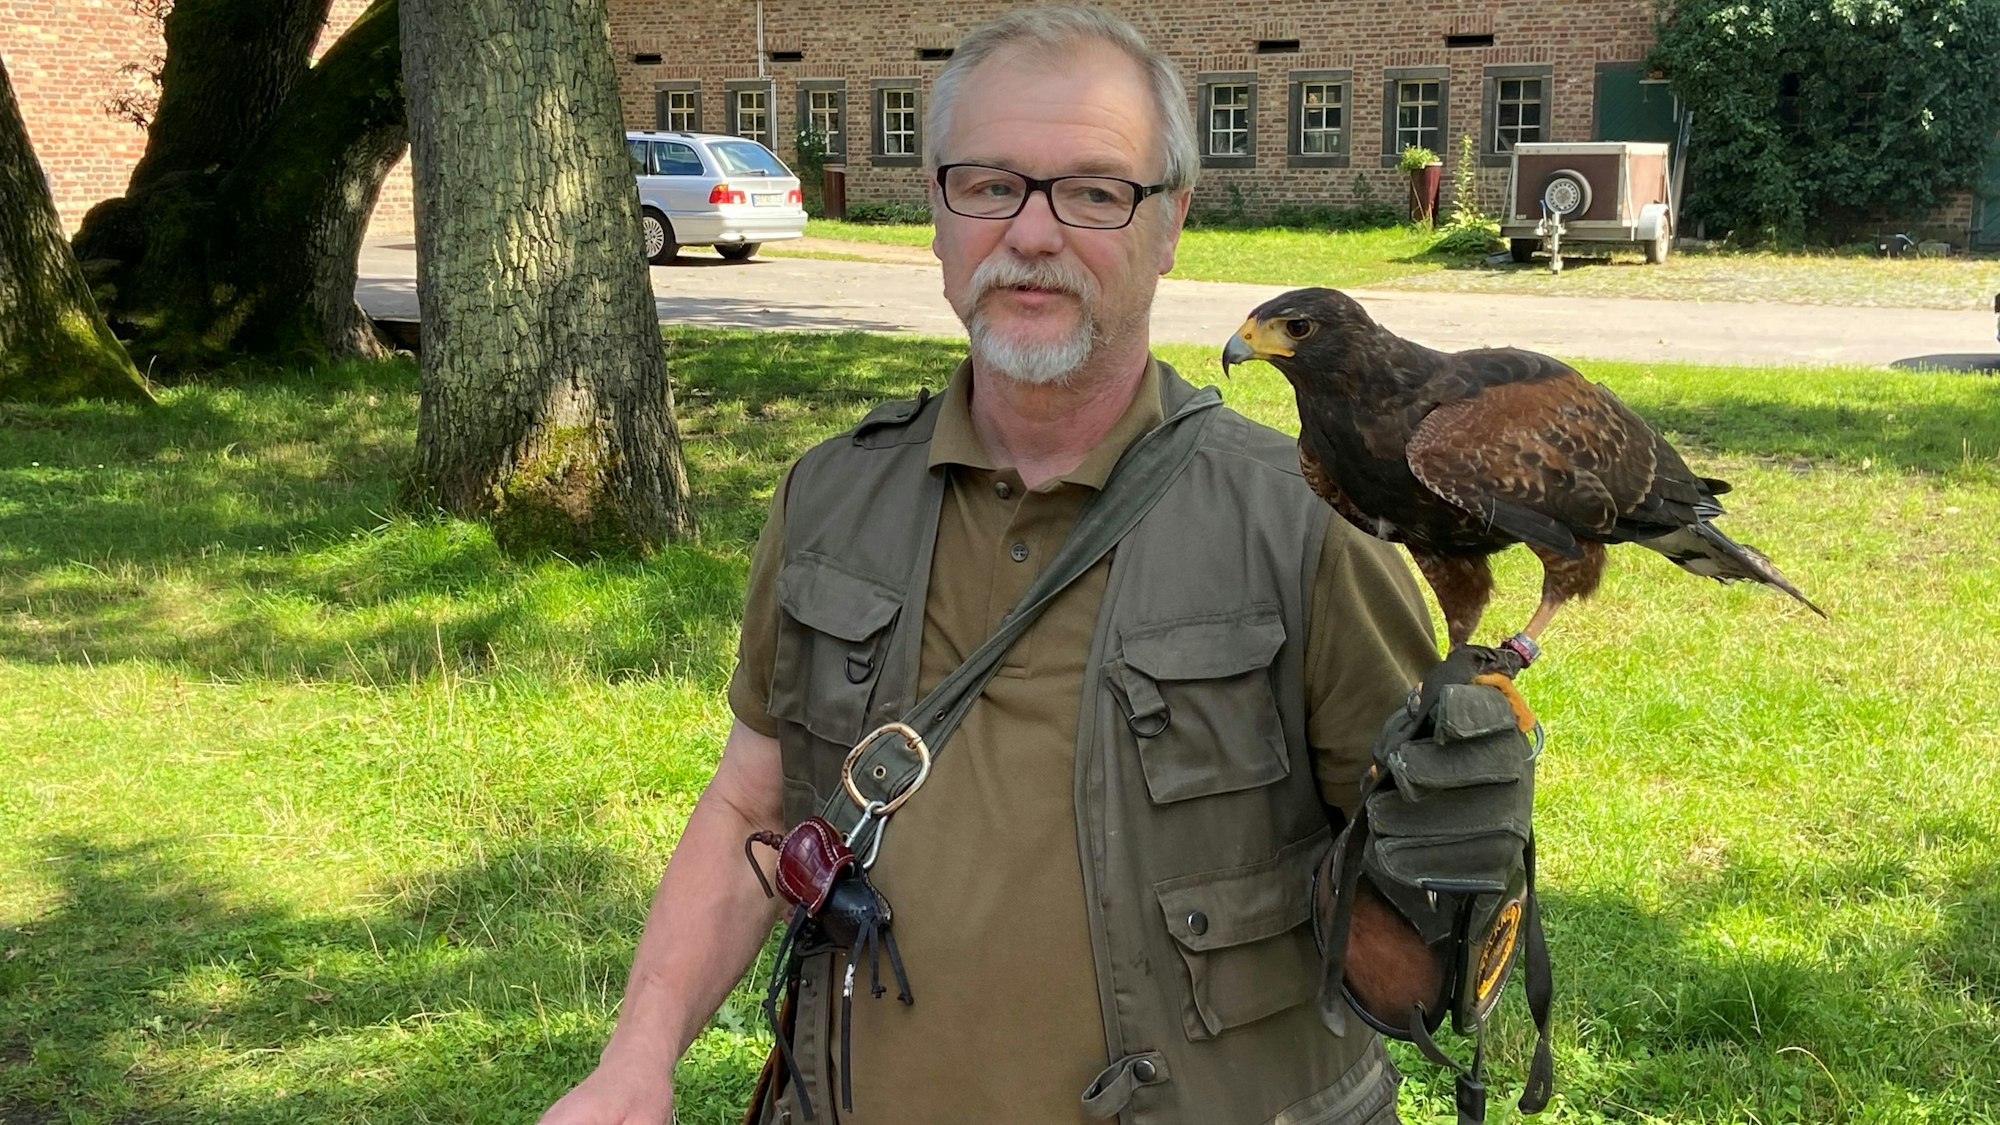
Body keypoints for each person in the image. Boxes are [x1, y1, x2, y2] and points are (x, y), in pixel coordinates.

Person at [542, 8, 1517, 1124]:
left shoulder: (1304, 524)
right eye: (990, 184)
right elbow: (746, 815)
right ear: (940, 220)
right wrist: (636, 1056)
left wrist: (1452, 851)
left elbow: (1410, 942)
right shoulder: (830, 499)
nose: (1033, 233)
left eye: (1094, 192)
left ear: (1170, 225)